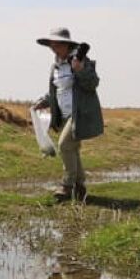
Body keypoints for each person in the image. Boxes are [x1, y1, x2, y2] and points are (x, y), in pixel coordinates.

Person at [33, 28, 103, 202]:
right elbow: (57, 91)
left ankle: (67, 185)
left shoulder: (80, 61)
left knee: (64, 145)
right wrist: (44, 101)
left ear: (67, 45)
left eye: (57, 44)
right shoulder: (55, 67)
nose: (53, 48)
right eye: (51, 45)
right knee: (73, 150)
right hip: (63, 116)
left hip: (79, 114)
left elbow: (93, 83)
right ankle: (80, 188)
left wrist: (79, 69)